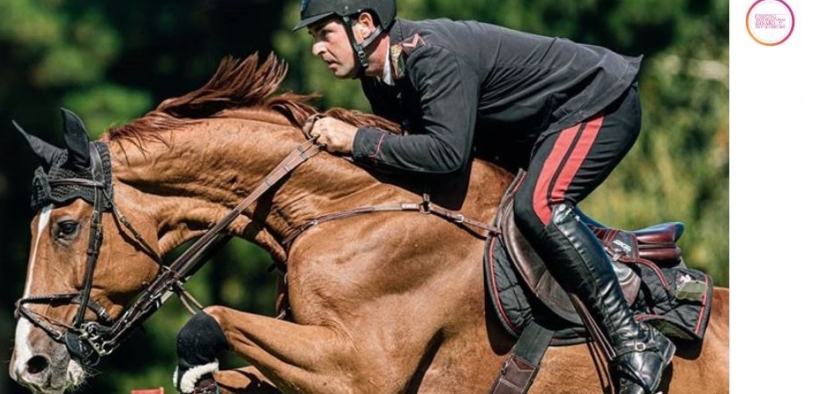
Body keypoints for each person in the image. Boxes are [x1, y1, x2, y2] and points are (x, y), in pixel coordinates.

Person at [294, 0, 675, 393]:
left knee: (539, 205)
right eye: (314, 37)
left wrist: (356, 139)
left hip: (598, 103)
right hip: (540, 125)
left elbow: (445, 154)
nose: (317, 49)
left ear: (365, 25)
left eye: (325, 34)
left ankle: (635, 344)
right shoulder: (379, 79)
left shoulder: (430, 57)